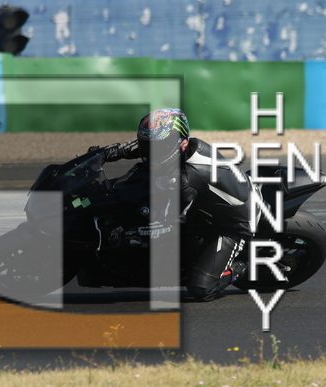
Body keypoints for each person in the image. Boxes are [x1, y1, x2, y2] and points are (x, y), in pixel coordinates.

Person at [98, 108, 253, 302]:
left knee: (201, 288)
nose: (150, 151)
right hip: (209, 207)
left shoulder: (186, 179)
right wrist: (105, 153)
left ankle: (243, 267)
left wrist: (128, 233)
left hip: (233, 224)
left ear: (179, 144)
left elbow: (170, 225)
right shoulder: (180, 147)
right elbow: (144, 147)